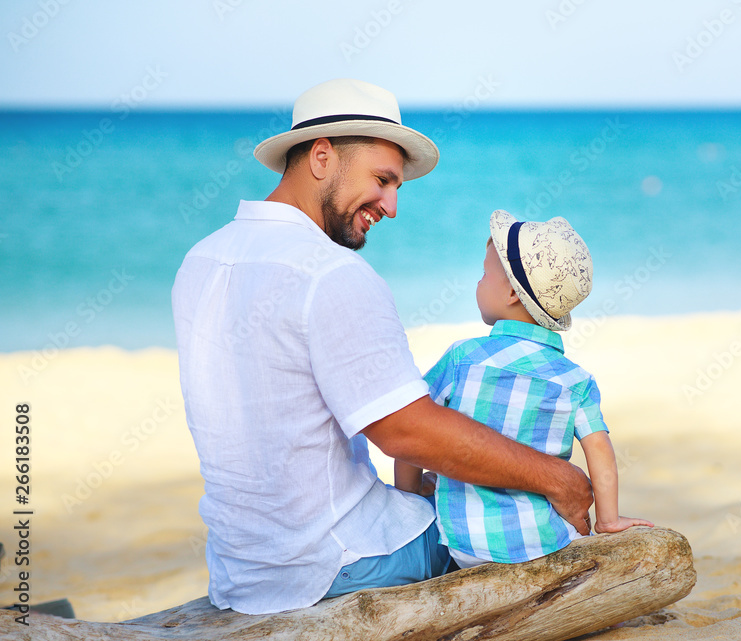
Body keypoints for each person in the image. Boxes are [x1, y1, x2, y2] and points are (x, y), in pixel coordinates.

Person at [171, 79, 593, 615]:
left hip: (243, 572)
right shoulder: (330, 273)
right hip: (340, 562)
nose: (391, 207)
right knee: (514, 520)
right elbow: (405, 433)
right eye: (382, 179)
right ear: (321, 157)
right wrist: (557, 478)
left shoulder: (201, 261)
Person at [395, 210, 652, 568]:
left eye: (485, 274)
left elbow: (413, 428)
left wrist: (409, 495)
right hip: (541, 544)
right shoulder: (576, 380)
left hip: (464, 540)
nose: (479, 283)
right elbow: (599, 447)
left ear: (513, 293)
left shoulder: (463, 358)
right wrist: (608, 519)